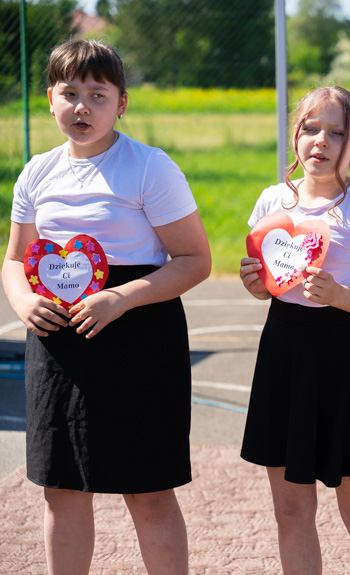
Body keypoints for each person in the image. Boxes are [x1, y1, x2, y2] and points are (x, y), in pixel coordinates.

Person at [1, 39, 211, 574]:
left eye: (97, 95)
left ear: (121, 104)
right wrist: (24, 300)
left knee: (149, 492)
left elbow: (193, 260)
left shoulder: (149, 167)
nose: (81, 107)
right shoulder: (36, 172)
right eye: (69, 93)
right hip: (58, 346)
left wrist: (121, 297)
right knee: (61, 490)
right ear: (50, 99)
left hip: (139, 338)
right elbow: (15, 261)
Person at [238, 86, 350, 575]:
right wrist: (256, 285)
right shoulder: (271, 202)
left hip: (346, 360)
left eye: (337, 132)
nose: (320, 141)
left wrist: (340, 296)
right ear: (294, 134)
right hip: (284, 356)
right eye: (310, 128)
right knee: (291, 514)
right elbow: (269, 285)